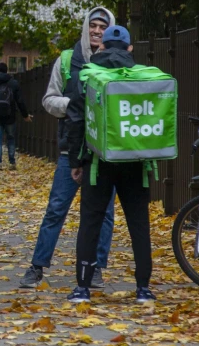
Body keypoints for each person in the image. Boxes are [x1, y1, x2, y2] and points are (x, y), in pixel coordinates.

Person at [20, 7, 117, 289]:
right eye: (93, 25)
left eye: (103, 26)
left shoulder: (116, 62)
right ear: (86, 27)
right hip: (70, 150)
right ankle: (37, 267)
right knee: (56, 209)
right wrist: (76, 104)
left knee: (106, 213)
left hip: (105, 152)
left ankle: (97, 268)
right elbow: (49, 101)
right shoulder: (66, 60)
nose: (97, 31)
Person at [66, 25, 155, 304]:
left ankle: (82, 288)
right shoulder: (141, 78)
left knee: (90, 223)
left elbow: (76, 121)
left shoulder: (87, 77)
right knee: (139, 224)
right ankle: (143, 289)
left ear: (101, 48)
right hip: (135, 163)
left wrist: (75, 161)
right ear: (130, 49)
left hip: (97, 163)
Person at [0, 62, 32, 170]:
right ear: (7, 70)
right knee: (11, 138)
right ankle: (12, 162)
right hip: (10, 116)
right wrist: (25, 115)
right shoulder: (14, 83)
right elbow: (20, 101)